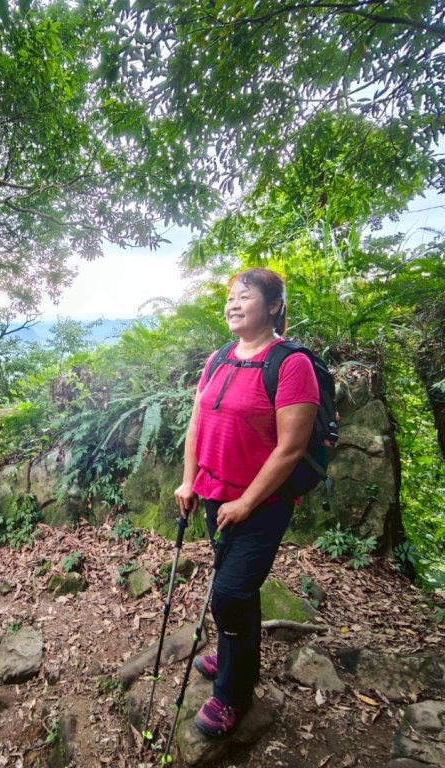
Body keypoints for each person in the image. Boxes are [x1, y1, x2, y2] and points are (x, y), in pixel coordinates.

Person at [174, 268, 319, 737]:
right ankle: (237, 655)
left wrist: (246, 503)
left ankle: (234, 695)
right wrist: (187, 481)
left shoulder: (291, 363)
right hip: (215, 495)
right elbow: (198, 422)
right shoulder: (219, 358)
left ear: (274, 306)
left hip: (263, 502)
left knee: (231, 591)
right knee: (233, 584)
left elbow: (290, 449)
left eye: (244, 297)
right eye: (229, 298)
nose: (232, 304)